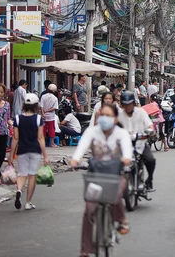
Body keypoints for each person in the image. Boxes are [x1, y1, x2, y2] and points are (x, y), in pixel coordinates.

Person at [70, 103, 133, 257]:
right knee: (89, 209)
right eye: (102, 115)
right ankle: (85, 249)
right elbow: (82, 145)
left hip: (115, 175)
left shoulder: (121, 133)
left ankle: (121, 219)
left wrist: (126, 158)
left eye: (108, 115)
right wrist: (75, 159)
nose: (104, 118)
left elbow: (127, 148)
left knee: (116, 195)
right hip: (96, 176)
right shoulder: (92, 132)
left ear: (115, 118)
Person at [8, 93, 50, 210]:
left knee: (22, 174)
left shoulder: (17, 118)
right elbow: (40, 138)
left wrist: (11, 155)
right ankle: (28, 202)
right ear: (36, 105)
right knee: (32, 175)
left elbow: (15, 138)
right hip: (35, 151)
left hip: (22, 150)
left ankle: (19, 190)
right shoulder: (38, 119)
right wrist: (45, 155)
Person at [118, 91, 157, 190]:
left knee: (150, 160)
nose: (128, 107)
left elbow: (149, 124)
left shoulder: (141, 112)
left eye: (129, 104)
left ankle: (149, 180)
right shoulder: (118, 115)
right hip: (124, 145)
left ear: (133, 103)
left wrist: (151, 131)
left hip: (140, 143)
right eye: (125, 105)